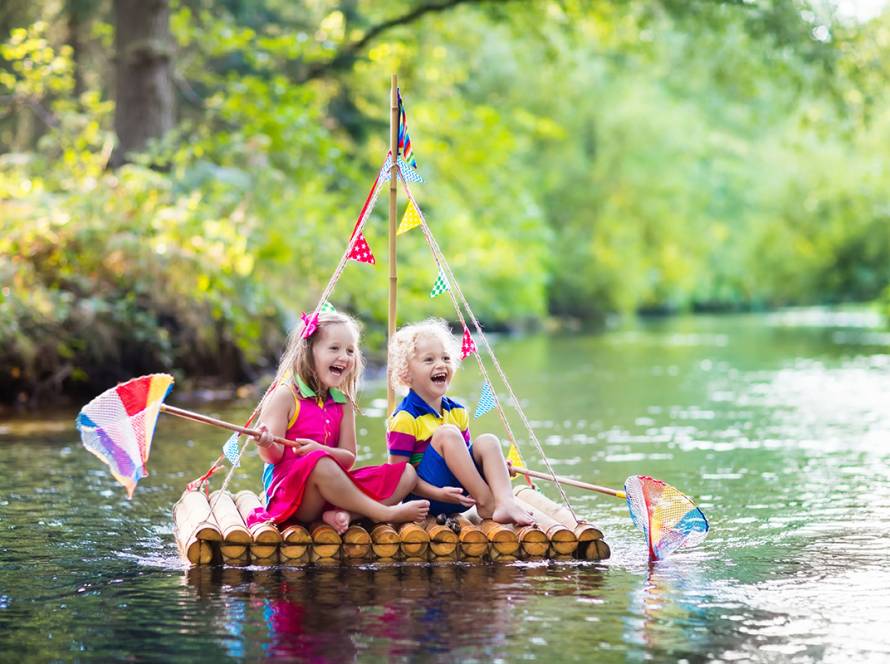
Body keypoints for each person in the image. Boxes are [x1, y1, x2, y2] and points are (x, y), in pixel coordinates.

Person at [252, 311, 429, 533]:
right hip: (293, 498)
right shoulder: (285, 396)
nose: (344, 357)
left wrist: (321, 450)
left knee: (406, 474)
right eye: (334, 348)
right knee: (319, 462)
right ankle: (383, 513)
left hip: (334, 491)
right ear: (308, 352)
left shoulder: (342, 402)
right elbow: (273, 456)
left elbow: (348, 459)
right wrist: (266, 443)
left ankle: (345, 513)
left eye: (350, 350)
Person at [386, 318, 533, 525]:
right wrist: (438, 493)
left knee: (488, 442)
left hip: (462, 496)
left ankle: (505, 501)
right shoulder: (405, 418)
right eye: (429, 360)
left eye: (446, 358)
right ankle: (489, 502)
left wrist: (493, 467)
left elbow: (466, 460)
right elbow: (398, 478)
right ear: (406, 373)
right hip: (426, 499)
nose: (440, 364)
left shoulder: (457, 411)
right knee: (448, 434)